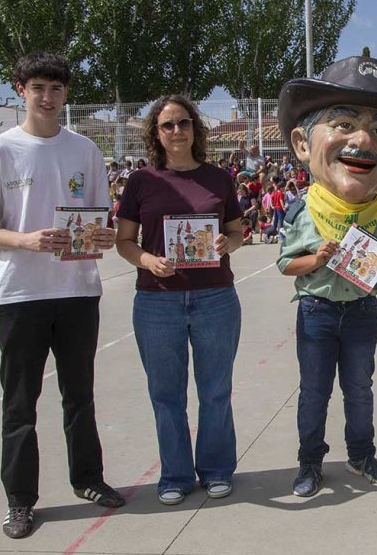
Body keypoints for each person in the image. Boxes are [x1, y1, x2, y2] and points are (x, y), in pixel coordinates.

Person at [0, 52, 124, 540]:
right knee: (20, 403)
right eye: (38, 87)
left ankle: (89, 479)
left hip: (78, 291)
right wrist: (27, 241)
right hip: (20, 294)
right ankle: (20, 500)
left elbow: (102, 218)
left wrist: (101, 237)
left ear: (66, 93)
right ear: (21, 89)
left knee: (79, 395)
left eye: (56, 89)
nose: (48, 97)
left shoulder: (85, 151)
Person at [277, 55, 377, 497]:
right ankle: (310, 462)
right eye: (343, 124)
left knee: (360, 390)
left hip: (363, 310)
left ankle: (362, 454)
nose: (362, 140)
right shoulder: (302, 212)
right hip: (317, 311)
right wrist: (319, 260)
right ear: (302, 143)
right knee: (314, 393)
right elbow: (286, 264)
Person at [115, 94, 244, 506]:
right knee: (166, 395)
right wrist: (148, 260)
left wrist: (227, 243)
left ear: (195, 128)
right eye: (167, 124)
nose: (176, 131)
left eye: (183, 123)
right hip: (157, 301)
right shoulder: (141, 181)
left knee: (215, 391)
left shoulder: (219, 178)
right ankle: (174, 474)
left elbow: (238, 233)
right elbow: (123, 241)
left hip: (215, 298)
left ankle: (217, 469)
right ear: (156, 132)